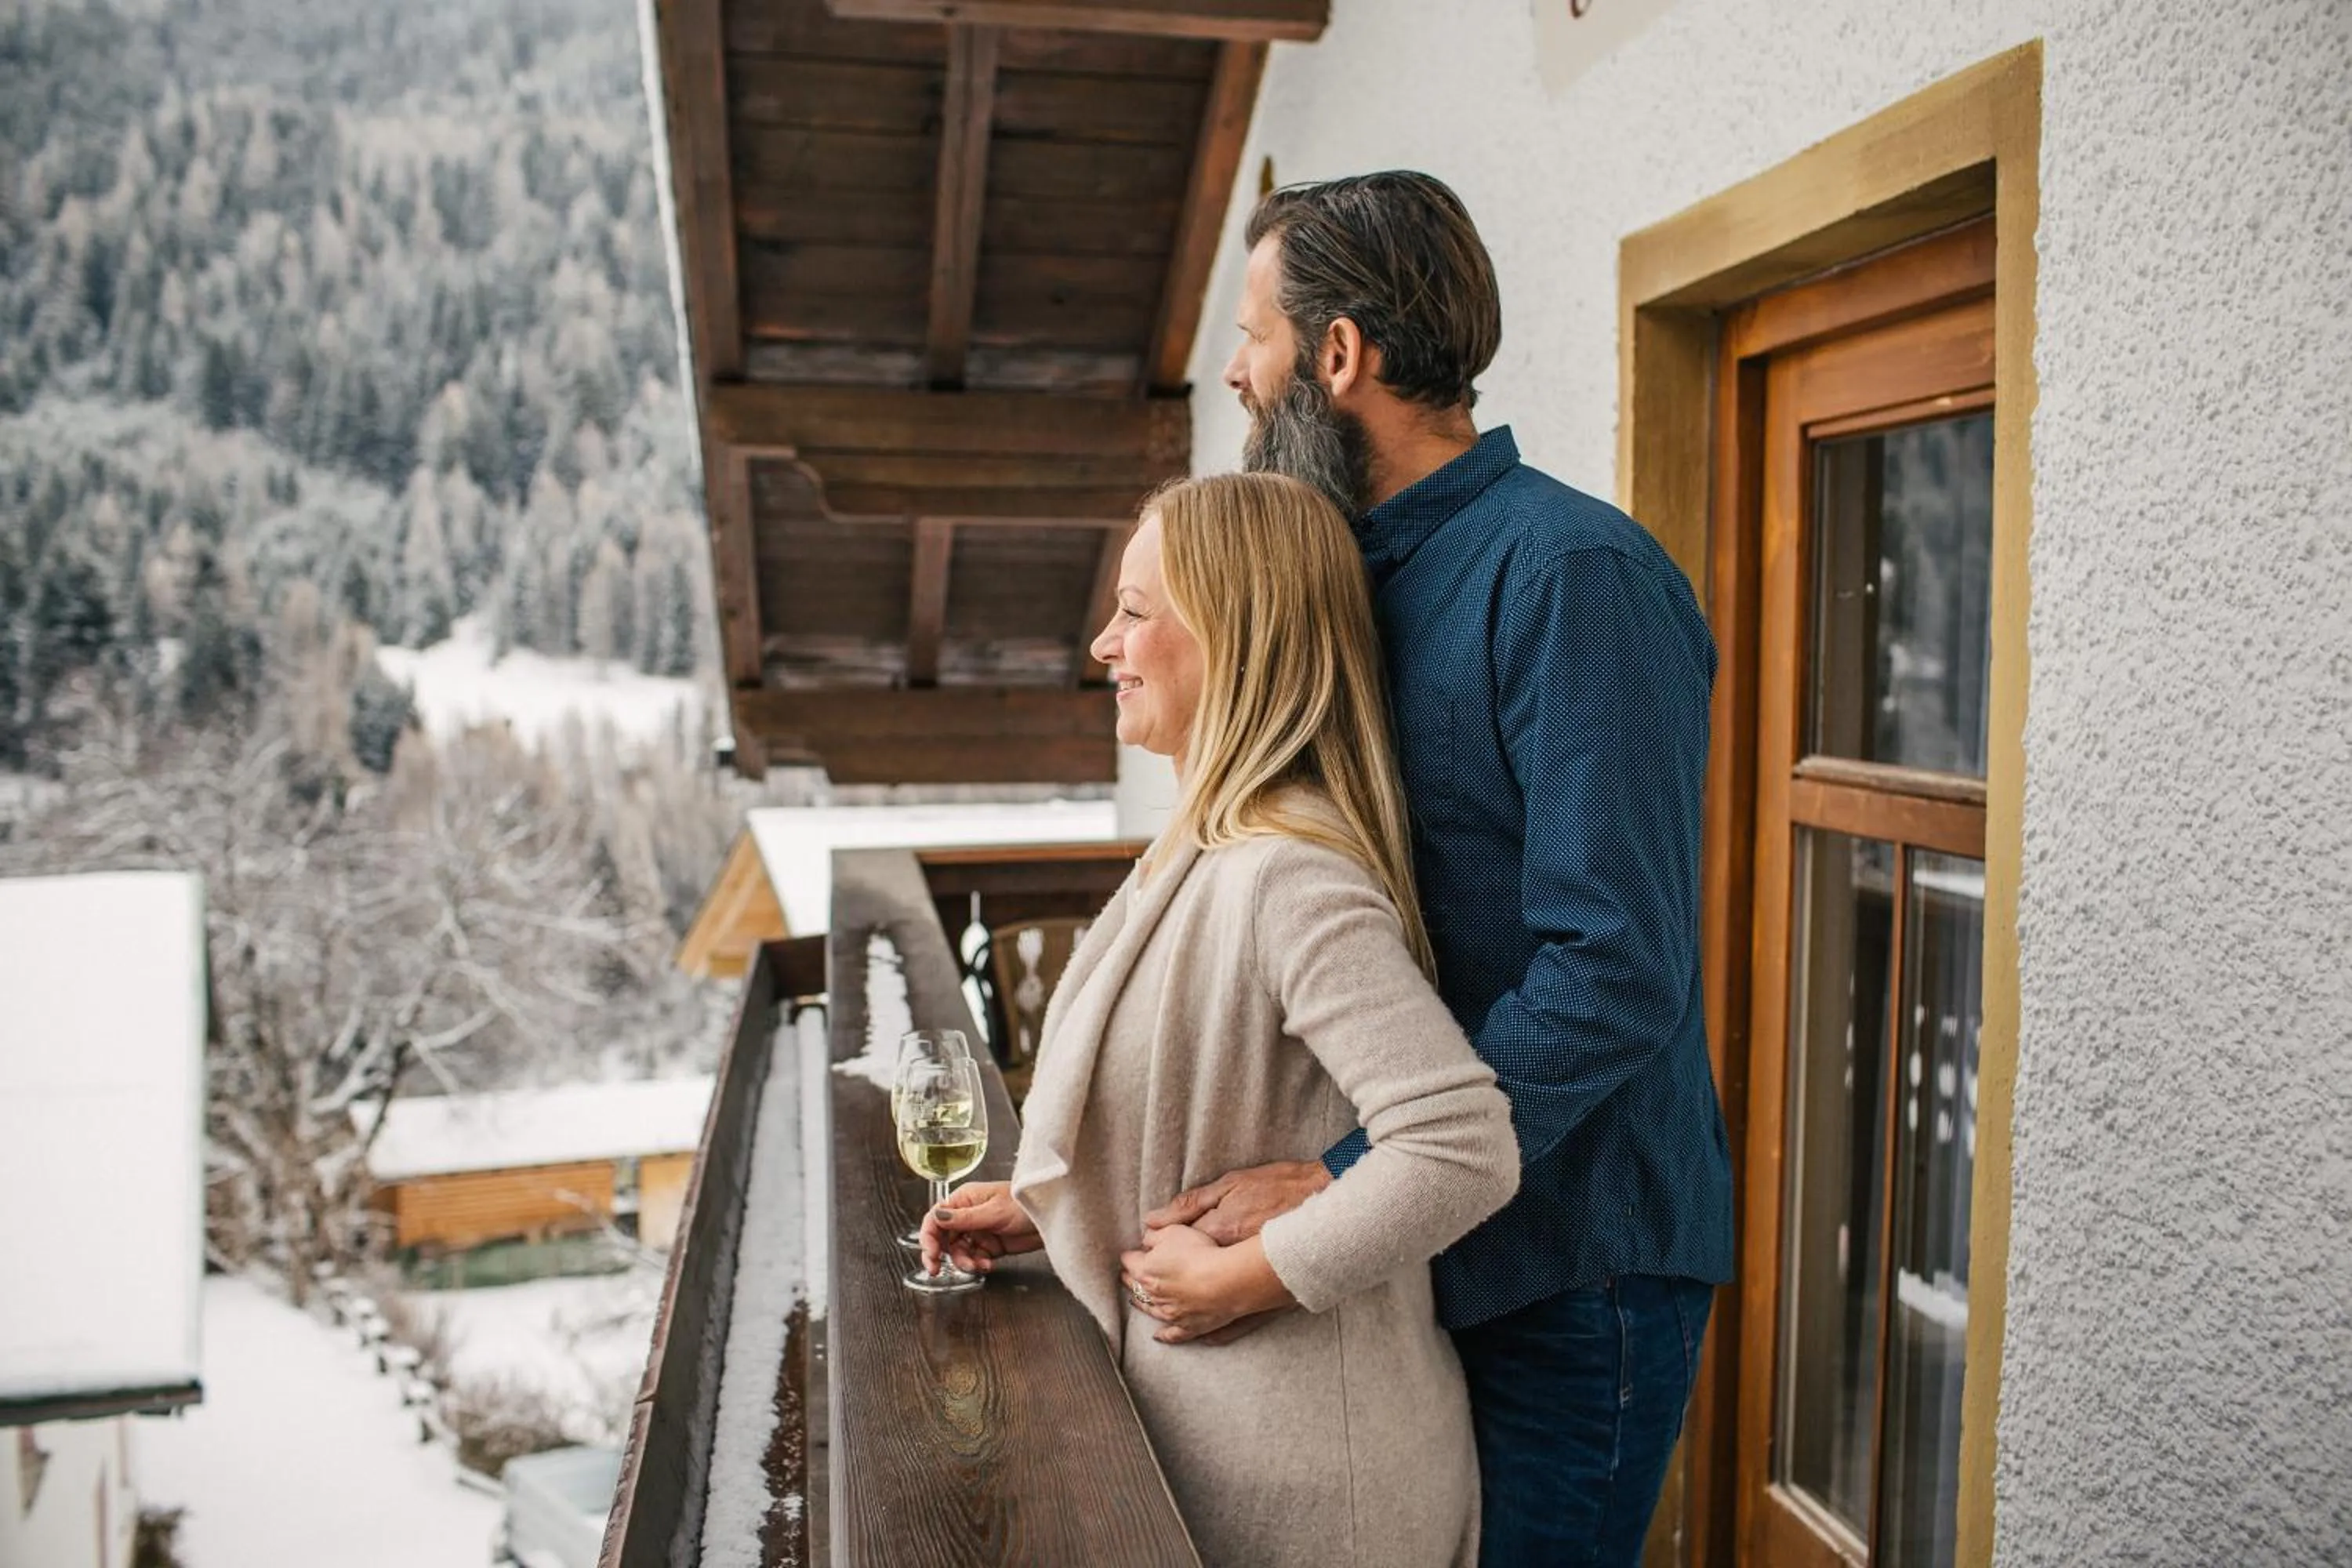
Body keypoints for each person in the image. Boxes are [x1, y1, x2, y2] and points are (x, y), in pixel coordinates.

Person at [1142, 172, 1735, 1567]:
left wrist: (1346, 1178)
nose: (1234, 374)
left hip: (1574, 1271)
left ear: (1339, 355)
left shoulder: (1570, 576)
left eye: (1255, 338)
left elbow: (1616, 966)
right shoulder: (1348, 583)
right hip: (1424, 1247)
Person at [923, 471, 1519, 1568]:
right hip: (1214, 1452)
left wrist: (1258, 1272)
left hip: (1317, 1493)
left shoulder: (1289, 876)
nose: (1106, 643)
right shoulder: (1201, 848)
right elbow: (1203, 1111)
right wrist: (1057, 1206)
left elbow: (1463, 1148)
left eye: (1137, 612)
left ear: (1233, 636)